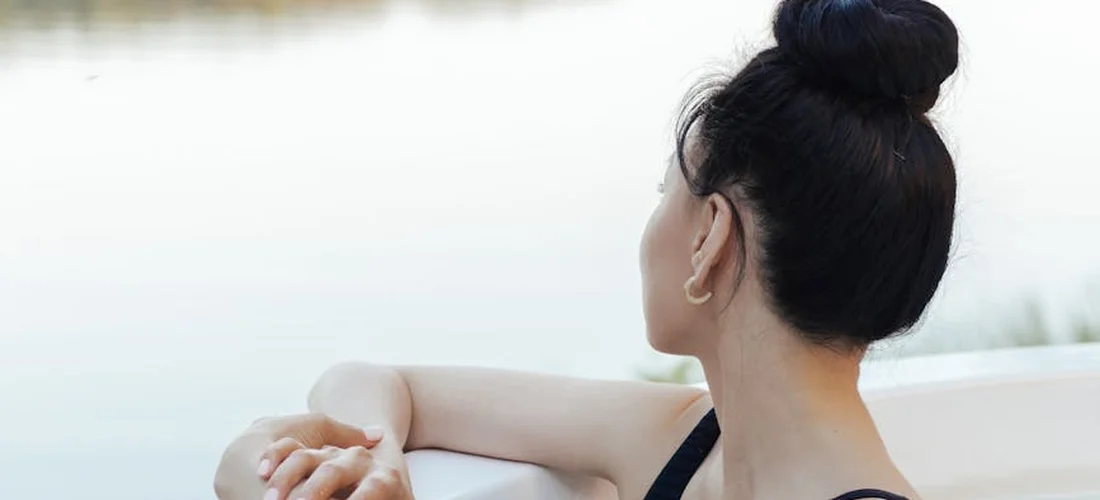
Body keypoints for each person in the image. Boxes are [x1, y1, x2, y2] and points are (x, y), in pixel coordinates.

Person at [214, 0, 960, 498]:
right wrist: (365, 459)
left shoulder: (680, 447)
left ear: (710, 238)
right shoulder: (688, 444)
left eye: (665, 190)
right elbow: (370, 378)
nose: (649, 230)